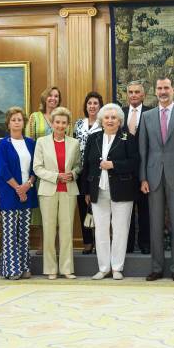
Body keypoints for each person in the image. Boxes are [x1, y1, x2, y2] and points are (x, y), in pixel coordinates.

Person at [139, 76, 174, 282]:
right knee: (155, 223)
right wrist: (143, 177)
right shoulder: (147, 117)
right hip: (153, 177)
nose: (163, 91)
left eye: (166, 88)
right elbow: (143, 150)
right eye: (159, 88)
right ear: (155, 91)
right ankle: (156, 267)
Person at [81, 104, 139, 280]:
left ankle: (117, 268)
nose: (110, 120)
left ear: (120, 120)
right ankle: (104, 267)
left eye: (114, 117)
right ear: (101, 120)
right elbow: (87, 165)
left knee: (120, 230)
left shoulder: (127, 137)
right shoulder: (94, 138)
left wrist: (114, 165)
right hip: (98, 191)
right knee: (101, 230)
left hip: (122, 190)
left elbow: (135, 162)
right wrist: (86, 191)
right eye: (106, 117)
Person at [34, 107, 81, 280]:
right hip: (48, 191)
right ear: (52, 124)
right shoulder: (41, 142)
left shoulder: (74, 143)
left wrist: (73, 174)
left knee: (67, 231)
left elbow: (78, 166)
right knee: (49, 230)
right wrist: (56, 176)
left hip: (68, 191)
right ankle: (51, 269)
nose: (60, 125)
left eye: (64, 122)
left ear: (68, 125)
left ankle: (67, 269)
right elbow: (37, 167)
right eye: (57, 122)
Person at [0, 107, 38, 280]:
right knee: (10, 233)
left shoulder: (30, 143)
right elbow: (3, 169)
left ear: (24, 122)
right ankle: (12, 269)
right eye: (13, 119)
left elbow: (36, 167)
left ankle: (24, 266)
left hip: (27, 192)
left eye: (19, 119)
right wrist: (18, 188)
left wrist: (27, 185)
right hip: (9, 193)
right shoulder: (3, 144)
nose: (16, 122)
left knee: (24, 233)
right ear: (8, 123)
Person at [26, 87, 65, 252]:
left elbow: (67, 141)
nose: (53, 98)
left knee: (58, 210)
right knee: (43, 211)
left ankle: (56, 246)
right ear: (44, 98)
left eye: (56, 96)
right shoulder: (35, 117)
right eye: (50, 95)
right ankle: (44, 246)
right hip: (41, 171)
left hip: (59, 171)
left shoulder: (62, 117)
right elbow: (29, 142)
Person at [122, 82, 152, 255]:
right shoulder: (120, 113)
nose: (133, 95)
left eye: (137, 92)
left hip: (146, 169)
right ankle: (128, 244)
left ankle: (145, 243)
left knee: (145, 209)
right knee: (126, 210)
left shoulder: (151, 113)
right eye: (130, 92)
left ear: (143, 95)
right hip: (125, 172)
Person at [72, 92, 103, 255]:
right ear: (86, 106)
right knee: (83, 206)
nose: (92, 106)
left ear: (100, 106)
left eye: (95, 103)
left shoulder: (104, 124)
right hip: (80, 171)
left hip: (98, 170)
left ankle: (99, 241)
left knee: (98, 206)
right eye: (89, 103)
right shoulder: (78, 124)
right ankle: (87, 242)